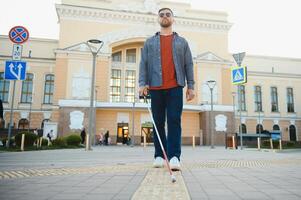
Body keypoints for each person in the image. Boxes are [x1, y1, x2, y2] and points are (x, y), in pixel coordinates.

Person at [139, 8, 195, 170]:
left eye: (168, 14)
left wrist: (191, 86)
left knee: (174, 121)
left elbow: (188, 65)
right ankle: (158, 155)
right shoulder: (149, 42)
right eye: (161, 15)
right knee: (157, 122)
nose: (165, 17)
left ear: (173, 19)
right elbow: (144, 64)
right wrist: (142, 84)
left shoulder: (182, 42)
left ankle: (174, 157)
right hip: (155, 87)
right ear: (158, 19)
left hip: (175, 87)